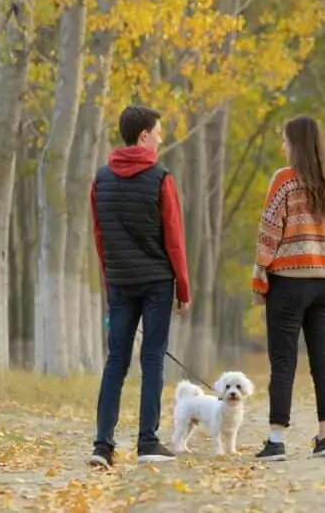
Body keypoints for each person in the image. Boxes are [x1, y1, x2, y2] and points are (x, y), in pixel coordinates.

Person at [88, 105, 192, 468]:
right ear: (144, 136)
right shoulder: (161, 177)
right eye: (159, 132)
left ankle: (102, 446)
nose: (161, 138)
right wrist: (183, 287)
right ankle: (148, 441)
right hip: (156, 283)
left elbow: (100, 238)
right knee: (152, 359)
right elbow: (174, 239)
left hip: (119, 282)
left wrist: (109, 280)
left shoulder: (101, 179)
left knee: (115, 361)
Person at [251, 115, 325, 461]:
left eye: (285, 140)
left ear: (295, 144)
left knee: (283, 361)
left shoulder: (284, 181)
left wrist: (259, 275)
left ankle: (277, 439)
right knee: (324, 361)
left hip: (288, 285)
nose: (283, 147)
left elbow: (269, 232)